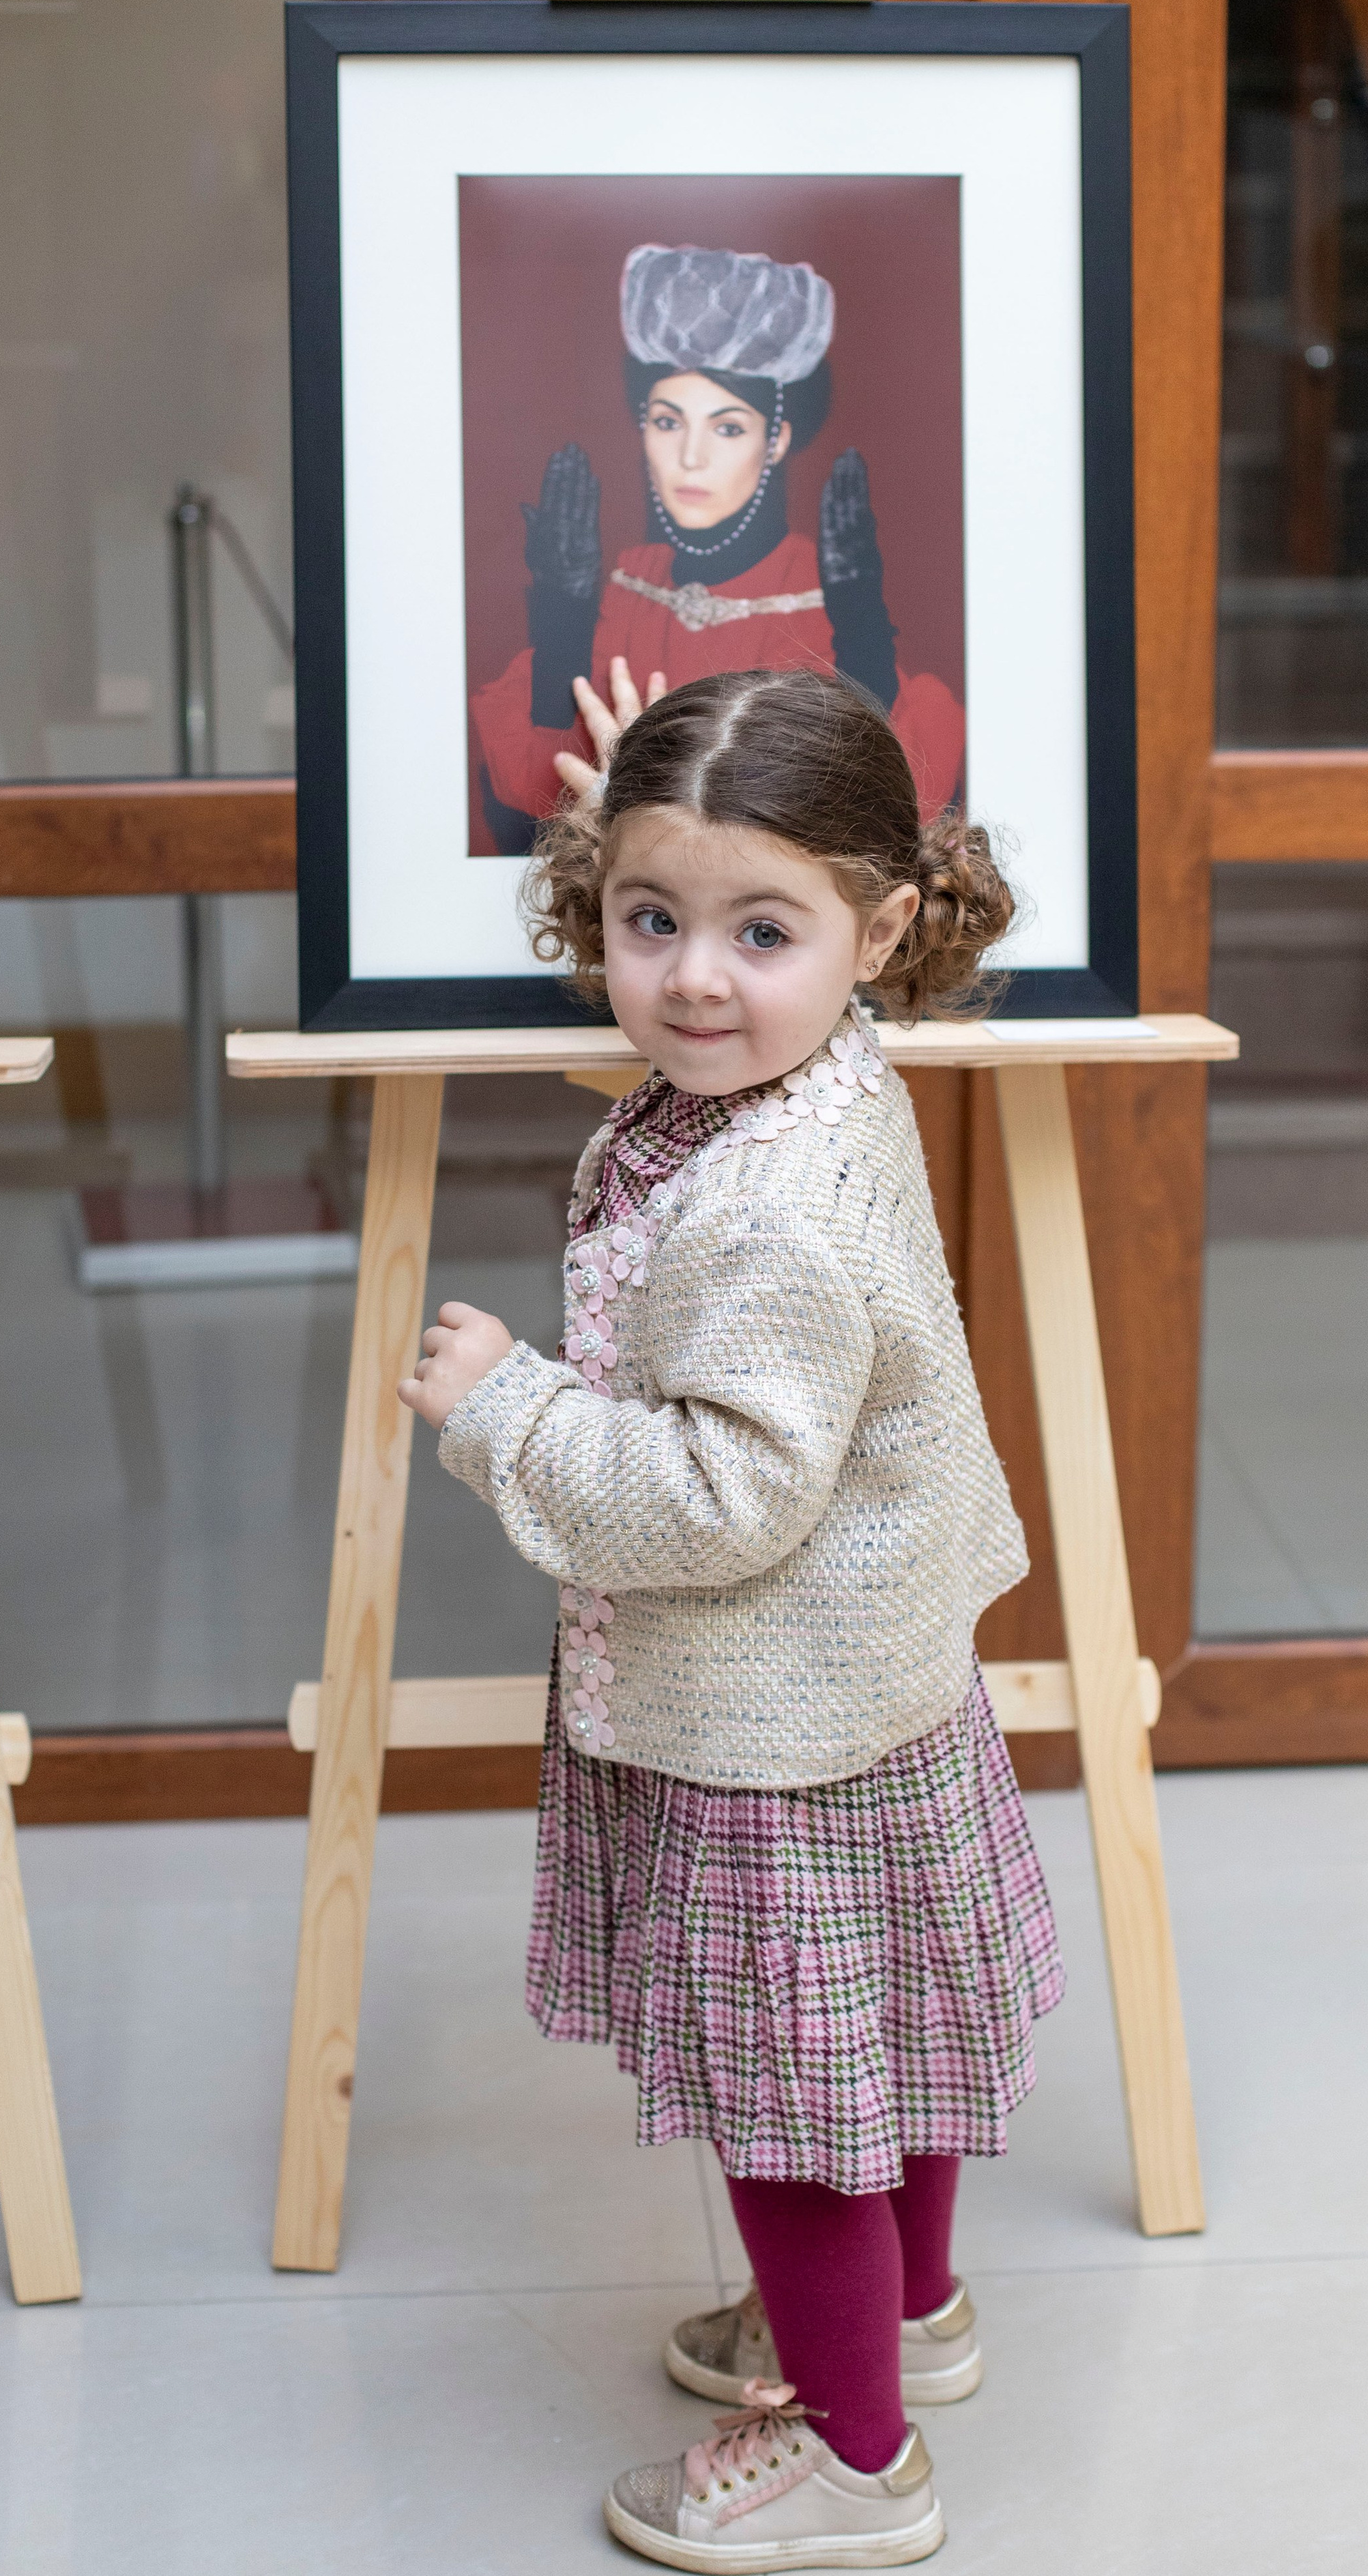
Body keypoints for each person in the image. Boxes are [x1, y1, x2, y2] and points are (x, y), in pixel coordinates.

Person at [400, 664, 1062, 2571]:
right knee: (895, 2041)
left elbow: (721, 1498)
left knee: (793, 2114)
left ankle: (858, 2464)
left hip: (778, 1729)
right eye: (650, 919)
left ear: (880, 924)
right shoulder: (819, 1080)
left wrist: (509, 1406)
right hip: (875, 1684)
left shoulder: (771, 1202)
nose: (694, 977)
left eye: (760, 931)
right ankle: (910, 2320)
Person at [470, 242, 966, 852]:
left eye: (727, 427)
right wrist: (561, 623)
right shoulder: (622, 596)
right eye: (667, 421)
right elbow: (527, 794)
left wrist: (863, 640)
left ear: (777, 439)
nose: (690, 458)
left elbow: (892, 824)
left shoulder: (826, 601)